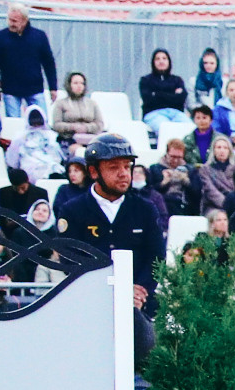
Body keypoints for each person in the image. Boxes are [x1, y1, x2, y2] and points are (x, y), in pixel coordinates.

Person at [53, 133, 165, 323]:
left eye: (127, 166)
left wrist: (140, 290)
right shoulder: (72, 210)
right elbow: (69, 258)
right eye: (114, 167)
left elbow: (156, 257)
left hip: (139, 305)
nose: (123, 173)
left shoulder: (146, 209)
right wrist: (108, 290)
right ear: (93, 172)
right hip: (89, 303)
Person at [0, 6, 57, 108]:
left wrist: (53, 87)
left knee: (40, 118)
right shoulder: (0, 37)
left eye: (14, 21)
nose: (11, 24)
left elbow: (49, 63)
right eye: (9, 20)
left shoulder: (39, 36)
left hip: (35, 89)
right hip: (10, 90)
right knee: (13, 119)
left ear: (24, 21)